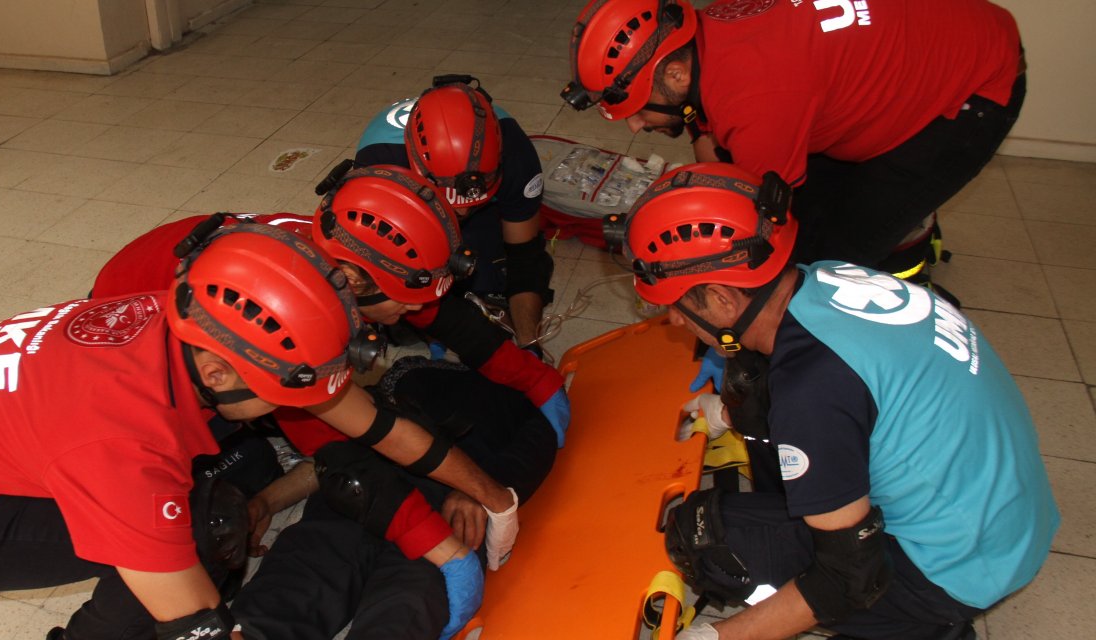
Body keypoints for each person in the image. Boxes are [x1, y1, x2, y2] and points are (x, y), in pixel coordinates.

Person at [0, 223, 517, 640]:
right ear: (223, 374)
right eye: (289, 395)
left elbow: (371, 424)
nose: (310, 411)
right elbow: (197, 625)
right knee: (202, 531)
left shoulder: (193, 318)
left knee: (209, 510)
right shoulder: (123, 444)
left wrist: (494, 497)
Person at [605, 162, 1058, 640]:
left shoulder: (813, 389)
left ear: (720, 300)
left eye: (673, 305)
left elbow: (847, 577)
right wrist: (730, 414)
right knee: (758, 391)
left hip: (958, 569)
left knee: (704, 535)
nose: (674, 322)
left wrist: (720, 637)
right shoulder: (829, 278)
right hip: (1009, 522)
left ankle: (918, 626)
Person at [90, 168, 570, 449]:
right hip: (139, 321)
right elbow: (317, 421)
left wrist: (539, 383)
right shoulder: (303, 305)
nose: (414, 314)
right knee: (218, 434)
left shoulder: (353, 257)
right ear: (356, 282)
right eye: (404, 306)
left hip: (193, 282)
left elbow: (457, 325)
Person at [563, 0, 1025, 276]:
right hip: (942, 37)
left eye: (638, 108)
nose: (635, 125)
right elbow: (711, 137)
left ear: (677, 73)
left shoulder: (758, 101)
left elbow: (764, 231)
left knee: (825, 258)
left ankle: (905, 230)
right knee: (818, 188)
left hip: (976, 85)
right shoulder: (715, 24)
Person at [235, 356, 557, 640]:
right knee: (305, 571)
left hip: (440, 502)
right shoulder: (409, 371)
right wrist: (268, 502)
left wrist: (479, 491)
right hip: (361, 490)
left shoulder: (517, 397)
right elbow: (332, 454)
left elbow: (538, 442)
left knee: (407, 600)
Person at [355, 75, 554, 349]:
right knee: (399, 307)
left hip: (488, 213)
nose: (463, 212)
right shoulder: (380, 166)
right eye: (452, 204)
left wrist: (530, 342)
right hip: (408, 210)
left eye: (470, 203)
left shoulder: (516, 153)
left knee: (492, 278)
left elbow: (525, 257)